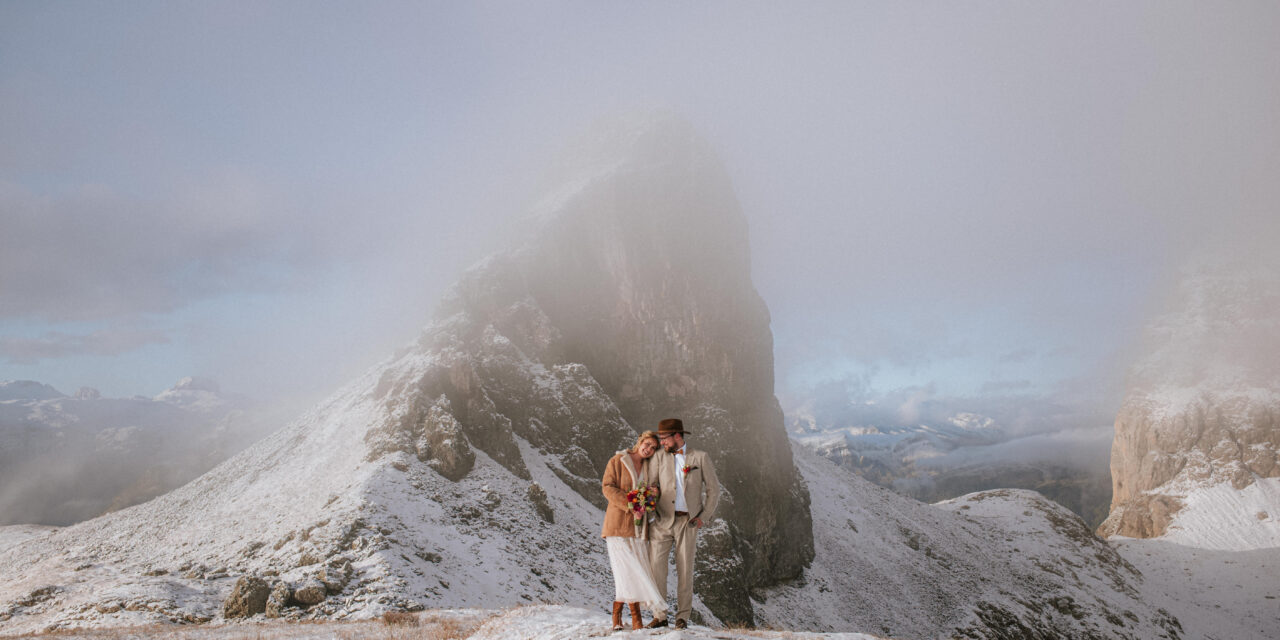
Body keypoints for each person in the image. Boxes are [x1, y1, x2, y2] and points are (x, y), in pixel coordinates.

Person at [645, 418, 719, 629]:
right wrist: (651, 503)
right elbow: (650, 484)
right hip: (661, 521)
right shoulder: (658, 457)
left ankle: (682, 617)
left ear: (677, 436)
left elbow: (714, 490)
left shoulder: (700, 457)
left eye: (664, 438)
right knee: (656, 569)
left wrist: (703, 517)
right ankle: (659, 616)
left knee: (685, 570)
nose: (661, 442)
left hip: (688, 522)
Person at [600, 430, 665, 631]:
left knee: (630, 571)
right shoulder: (618, 460)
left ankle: (617, 615)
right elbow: (607, 487)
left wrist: (654, 495)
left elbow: (652, 497)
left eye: (653, 448)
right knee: (627, 570)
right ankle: (636, 620)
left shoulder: (649, 467)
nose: (649, 449)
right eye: (647, 444)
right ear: (639, 442)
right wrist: (631, 504)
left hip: (638, 529)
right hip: (618, 525)